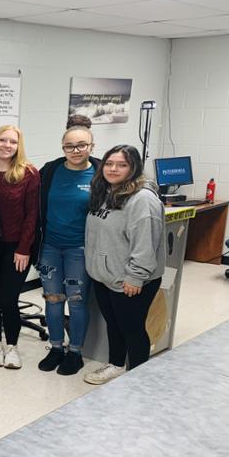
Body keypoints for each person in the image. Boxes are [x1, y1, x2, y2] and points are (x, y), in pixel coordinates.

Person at [84, 145, 165, 385]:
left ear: (134, 168)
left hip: (131, 279)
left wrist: (136, 276)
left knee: (132, 328)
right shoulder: (106, 192)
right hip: (107, 275)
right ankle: (116, 365)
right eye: (109, 163)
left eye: (122, 165)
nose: (113, 169)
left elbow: (145, 243)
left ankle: (138, 378)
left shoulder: (142, 200)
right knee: (115, 324)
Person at [35, 122, 100, 376]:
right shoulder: (50, 171)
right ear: (63, 147)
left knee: (76, 301)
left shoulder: (99, 173)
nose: (75, 150)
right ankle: (55, 348)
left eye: (81, 145)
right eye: (69, 146)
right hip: (50, 247)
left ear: (91, 146)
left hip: (80, 249)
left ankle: (75, 352)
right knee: (53, 300)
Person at [0, 125, 39, 369]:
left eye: (12, 142)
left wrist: (24, 248)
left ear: (18, 146)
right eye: (2, 140)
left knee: (7, 298)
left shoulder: (29, 173)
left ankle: (12, 347)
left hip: (16, 247)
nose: (7, 145)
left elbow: (32, 214)